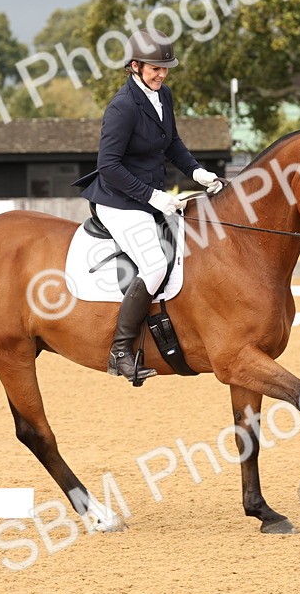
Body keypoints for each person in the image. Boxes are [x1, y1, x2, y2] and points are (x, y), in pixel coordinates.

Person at [73, 29, 222, 382]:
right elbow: (108, 165)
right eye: (155, 69)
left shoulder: (162, 95)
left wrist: (197, 172)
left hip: (149, 198)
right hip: (119, 201)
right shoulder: (122, 106)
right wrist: (153, 196)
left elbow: (172, 144)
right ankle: (121, 351)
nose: (162, 75)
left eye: (165, 69)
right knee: (154, 265)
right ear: (135, 66)